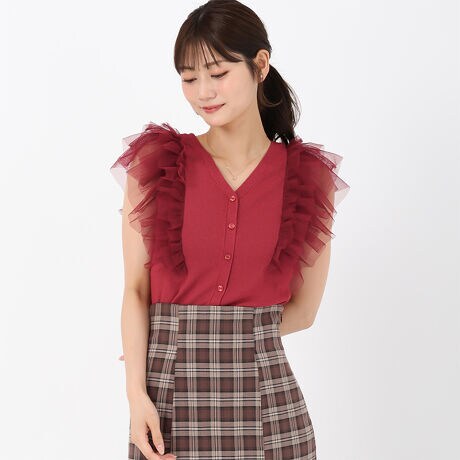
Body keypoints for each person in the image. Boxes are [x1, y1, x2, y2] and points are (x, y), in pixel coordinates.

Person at [110, 1, 350, 459]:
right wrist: (137, 393)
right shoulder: (158, 163)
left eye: (218, 73)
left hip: (269, 409)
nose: (203, 92)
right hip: (165, 406)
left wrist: (213, 337)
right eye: (188, 78)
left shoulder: (307, 179)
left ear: (260, 64)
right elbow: (135, 292)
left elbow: (304, 311)